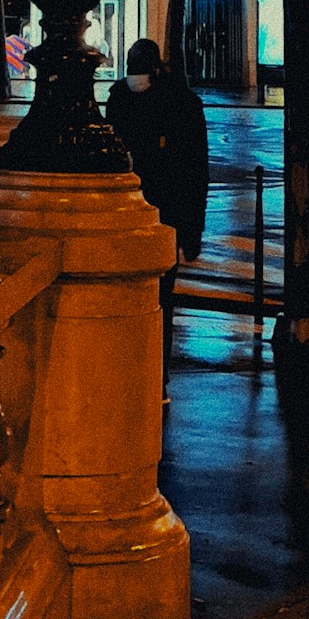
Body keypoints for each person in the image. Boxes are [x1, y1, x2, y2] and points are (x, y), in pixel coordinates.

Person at [105, 36, 210, 387]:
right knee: (158, 299)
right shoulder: (178, 103)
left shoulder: (123, 99)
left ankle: (141, 373)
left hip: (138, 216)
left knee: (144, 297)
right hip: (158, 217)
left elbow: (193, 171)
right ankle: (152, 376)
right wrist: (192, 232)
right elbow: (196, 173)